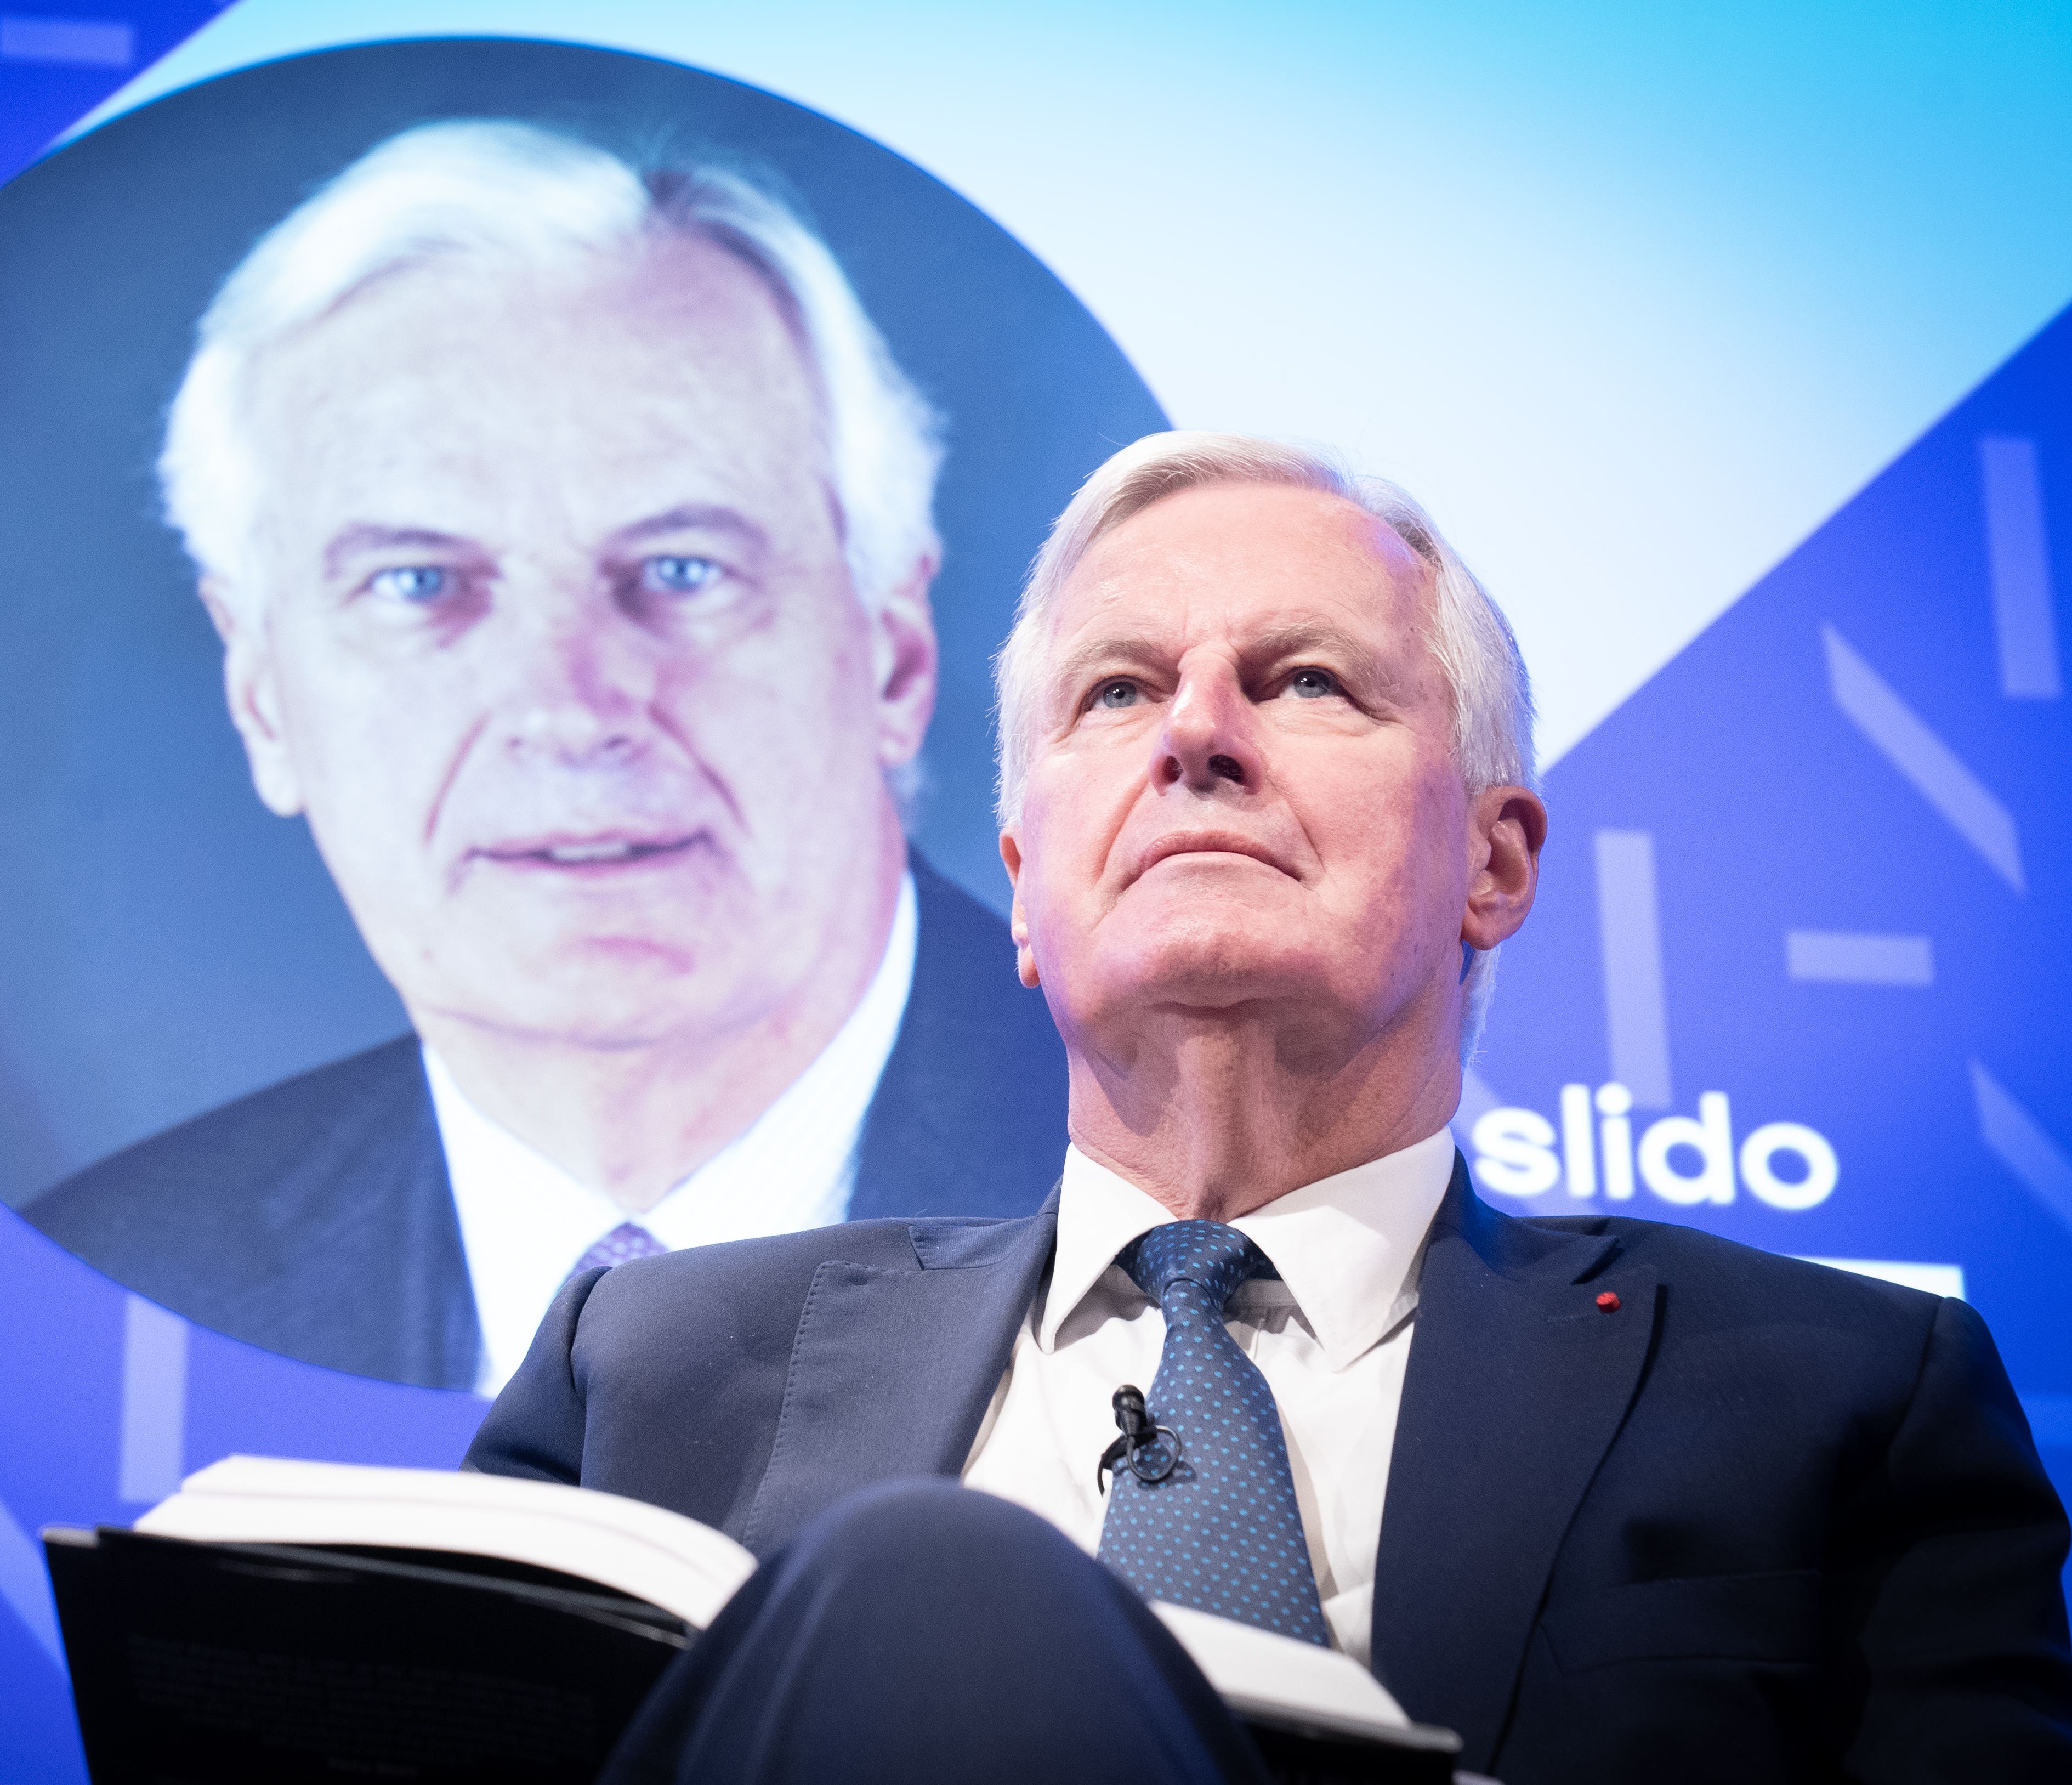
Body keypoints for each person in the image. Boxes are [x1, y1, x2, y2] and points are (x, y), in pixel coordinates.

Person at [467, 432, 2072, 1781]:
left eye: (1303, 681)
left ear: (1496, 861)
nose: (1193, 736)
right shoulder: (645, 1369)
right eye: (1114, 693)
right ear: (1024, 896)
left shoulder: (1838, 1397)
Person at [24, 121, 1069, 1393]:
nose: (569, 705)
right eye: (418, 582)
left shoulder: (1207, 1194)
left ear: (894, 659)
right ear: (260, 697)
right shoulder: (106, 1287)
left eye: (683, 570)